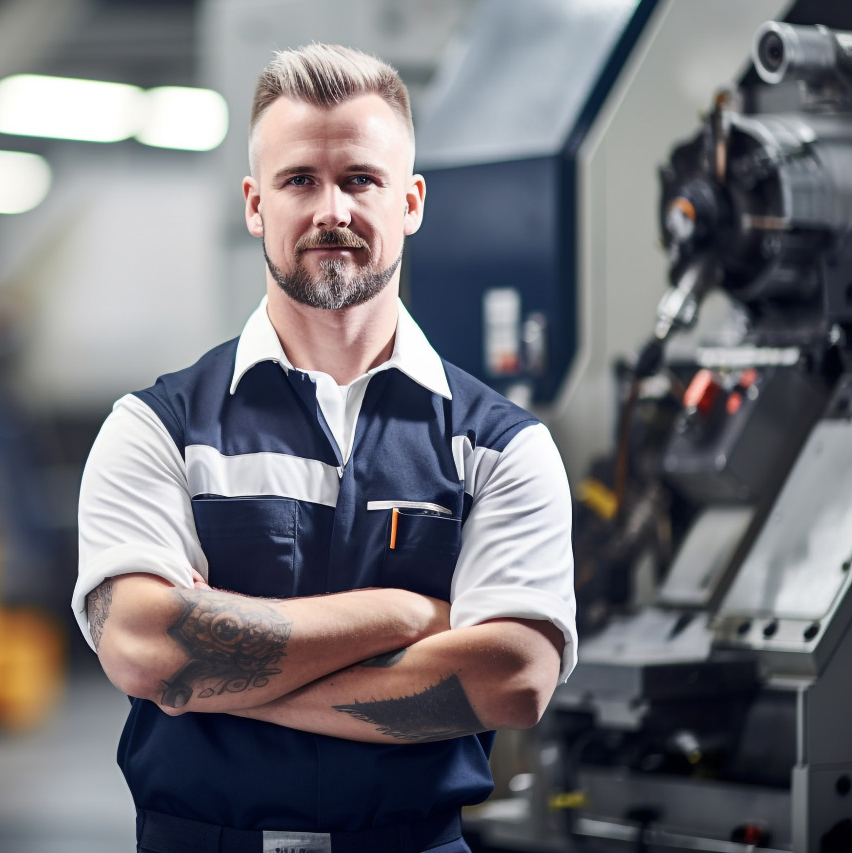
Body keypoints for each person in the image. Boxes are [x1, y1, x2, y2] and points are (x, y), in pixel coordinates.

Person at [73, 43, 576, 853]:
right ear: (254, 204)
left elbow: (511, 679)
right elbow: (146, 645)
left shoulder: (500, 448)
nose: (330, 210)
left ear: (410, 201)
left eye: (360, 180)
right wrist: (407, 615)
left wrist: (210, 678)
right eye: (299, 179)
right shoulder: (156, 427)